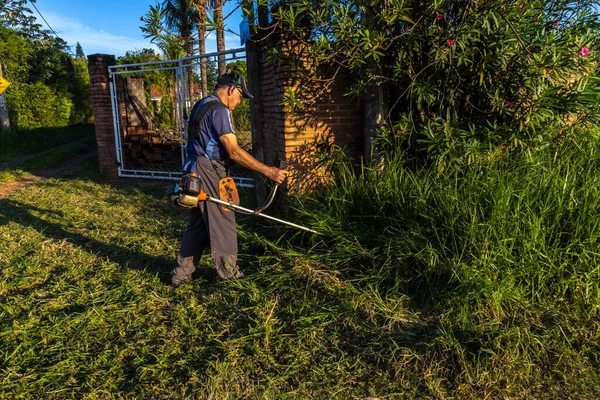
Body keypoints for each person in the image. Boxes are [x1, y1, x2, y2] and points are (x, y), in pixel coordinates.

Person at [171, 71, 287, 287]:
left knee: (197, 224)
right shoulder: (220, 110)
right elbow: (233, 151)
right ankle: (230, 274)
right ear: (232, 89)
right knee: (223, 221)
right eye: (241, 96)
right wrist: (268, 171)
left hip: (193, 168)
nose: (239, 102)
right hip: (208, 171)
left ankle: (181, 274)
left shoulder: (202, 103)